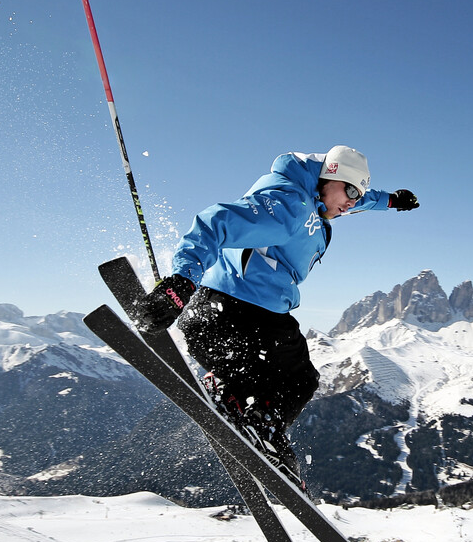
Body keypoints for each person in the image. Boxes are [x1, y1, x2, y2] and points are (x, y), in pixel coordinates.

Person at [131, 145, 418, 488]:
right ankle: (255, 419)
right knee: (291, 381)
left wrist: (389, 200)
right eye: (350, 191)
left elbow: (360, 197)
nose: (353, 202)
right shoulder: (289, 206)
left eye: (358, 193)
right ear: (330, 176)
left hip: (244, 317)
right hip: (229, 314)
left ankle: (243, 405)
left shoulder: (320, 196)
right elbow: (215, 221)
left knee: (300, 380)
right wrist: (180, 282)